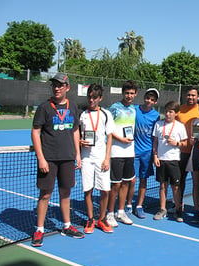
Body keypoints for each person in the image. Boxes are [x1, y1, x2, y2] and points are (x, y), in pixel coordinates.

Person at [31, 73, 84, 247]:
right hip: (49, 159)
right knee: (45, 194)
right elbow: (35, 132)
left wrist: (77, 154)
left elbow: (76, 131)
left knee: (65, 193)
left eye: (60, 85)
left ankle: (67, 226)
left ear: (67, 87)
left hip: (68, 158)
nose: (56, 88)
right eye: (54, 85)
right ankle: (39, 229)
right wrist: (41, 158)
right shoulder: (44, 108)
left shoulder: (73, 107)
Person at [79, 84, 114, 233]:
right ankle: (91, 219)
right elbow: (78, 134)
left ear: (100, 98)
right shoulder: (82, 114)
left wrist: (107, 158)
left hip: (101, 158)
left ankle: (102, 219)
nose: (91, 100)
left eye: (94, 97)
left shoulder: (106, 114)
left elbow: (110, 137)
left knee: (105, 190)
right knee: (88, 189)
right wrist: (80, 141)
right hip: (86, 158)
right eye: (89, 97)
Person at [107, 80, 138, 227]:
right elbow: (109, 129)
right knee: (116, 184)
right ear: (123, 93)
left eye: (132, 93)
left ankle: (121, 211)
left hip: (129, 152)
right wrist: (121, 139)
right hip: (116, 152)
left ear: (135, 94)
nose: (129, 96)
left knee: (126, 183)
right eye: (127, 93)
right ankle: (110, 214)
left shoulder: (134, 109)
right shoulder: (114, 108)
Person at [152, 101, 188, 222]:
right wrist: (155, 156)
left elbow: (185, 143)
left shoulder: (180, 126)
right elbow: (155, 142)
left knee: (175, 187)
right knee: (162, 185)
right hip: (161, 160)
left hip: (174, 160)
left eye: (171, 112)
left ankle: (178, 210)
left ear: (176, 113)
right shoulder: (158, 124)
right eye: (166, 111)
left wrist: (176, 143)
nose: (167, 114)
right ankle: (162, 209)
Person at [129, 88, 160, 219]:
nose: (149, 101)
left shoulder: (156, 116)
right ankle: (128, 205)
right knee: (131, 180)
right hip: (133, 151)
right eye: (148, 98)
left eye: (152, 99)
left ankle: (139, 206)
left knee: (143, 180)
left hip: (147, 153)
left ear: (155, 101)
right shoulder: (134, 110)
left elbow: (155, 137)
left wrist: (154, 154)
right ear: (144, 97)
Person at [175, 87, 199, 213]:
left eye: (193, 95)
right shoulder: (179, 110)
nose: (190, 97)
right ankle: (179, 205)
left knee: (198, 182)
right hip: (182, 152)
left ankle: (198, 208)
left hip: (197, 152)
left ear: (198, 97)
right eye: (189, 95)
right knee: (180, 180)